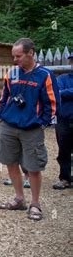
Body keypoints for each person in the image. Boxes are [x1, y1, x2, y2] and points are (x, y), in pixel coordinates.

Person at [0, 38, 60, 221]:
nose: (15, 60)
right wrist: (2, 115)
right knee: (10, 162)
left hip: (32, 129)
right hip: (9, 125)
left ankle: (35, 204)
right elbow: (4, 96)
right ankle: (18, 199)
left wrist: (43, 122)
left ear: (30, 53)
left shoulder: (45, 75)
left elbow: (53, 102)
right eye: (13, 56)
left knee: (33, 167)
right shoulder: (12, 73)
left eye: (18, 56)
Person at [52, 52, 73, 190]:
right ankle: (65, 178)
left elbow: (62, 93)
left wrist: (65, 93)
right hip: (63, 120)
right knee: (64, 150)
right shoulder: (62, 78)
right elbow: (56, 92)